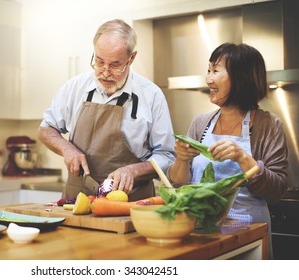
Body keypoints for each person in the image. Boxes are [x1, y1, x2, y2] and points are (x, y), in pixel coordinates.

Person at [168, 42, 288, 257]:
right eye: (208, 70)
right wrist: (182, 159)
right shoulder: (200, 122)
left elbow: (277, 190)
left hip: (248, 234)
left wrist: (243, 157)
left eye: (216, 71)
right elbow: (180, 183)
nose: (208, 79)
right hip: (201, 231)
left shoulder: (268, 124)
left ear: (241, 77)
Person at [38, 19, 175, 201]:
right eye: (99, 61)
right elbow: (46, 129)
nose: (105, 71)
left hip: (131, 204)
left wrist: (134, 170)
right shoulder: (75, 87)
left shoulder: (152, 96)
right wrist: (67, 149)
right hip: (78, 201)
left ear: (131, 58)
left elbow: (167, 155)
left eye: (115, 65)